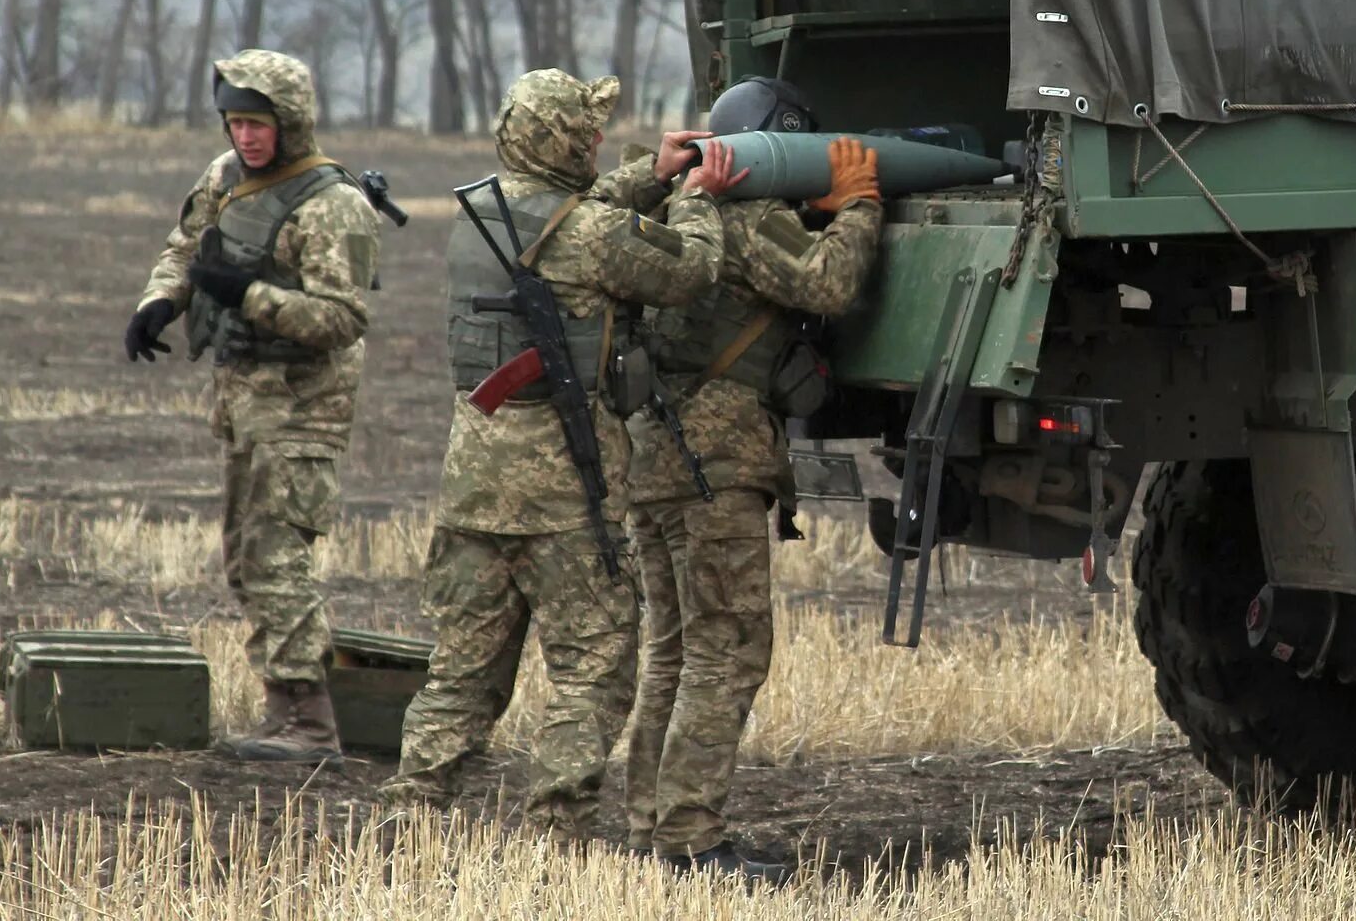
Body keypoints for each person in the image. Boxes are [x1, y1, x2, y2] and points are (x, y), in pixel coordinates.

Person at [379, 69, 744, 844]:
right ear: (564, 141)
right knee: (592, 672)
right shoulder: (591, 237)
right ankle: (557, 836)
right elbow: (689, 268)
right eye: (589, 133)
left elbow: (572, 215)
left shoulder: (481, 214)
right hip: (564, 501)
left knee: (461, 675)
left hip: (472, 485)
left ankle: (410, 823)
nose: (600, 140)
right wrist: (698, 196)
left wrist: (649, 171)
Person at [622, 76, 883, 878]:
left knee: (671, 649)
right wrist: (858, 203)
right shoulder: (749, 222)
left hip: (655, 458)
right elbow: (832, 284)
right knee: (727, 649)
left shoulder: (674, 212)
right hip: (717, 464)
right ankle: (691, 838)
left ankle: (650, 826)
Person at [124, 48, 380, 763]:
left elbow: (341, 318)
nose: (246, 137)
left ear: (291, 123)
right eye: (235, 122)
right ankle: (287, 708)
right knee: (246, 558)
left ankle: (307, 721)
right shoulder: (224, 179)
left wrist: (250, 296)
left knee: (276, 558)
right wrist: (159, 302)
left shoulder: (334, 206)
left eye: (259, 124)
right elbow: (184, 248)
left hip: (303, 407)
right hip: (241, 399)